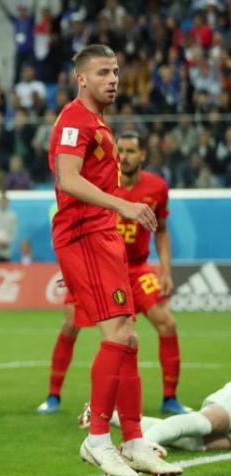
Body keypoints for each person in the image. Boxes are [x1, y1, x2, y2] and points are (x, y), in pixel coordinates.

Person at [48, 44, 180, 476]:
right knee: (119, 336)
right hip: (83, 235)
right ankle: (98, 438)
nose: (114, 79)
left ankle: (136, 440)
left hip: (103, 237)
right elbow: (67, 179)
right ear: (81, 78)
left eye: (117, 71)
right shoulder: (73, 121)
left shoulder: (98, 123)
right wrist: (121, 206)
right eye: (104, 72)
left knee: (131, 340)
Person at [39, 132, 188, 416]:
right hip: (98, 267)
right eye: (122, 150)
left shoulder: (157, 188)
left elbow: (162, 231)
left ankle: (170, 398)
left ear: (143, 154)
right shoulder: (101, 184)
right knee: (70, 322)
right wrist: (73, 265)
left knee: (166, 323)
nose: (127, 155)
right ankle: (53, 396)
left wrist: (166, 269)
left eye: (132, 150)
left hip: (135, 268)